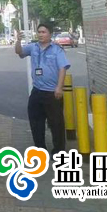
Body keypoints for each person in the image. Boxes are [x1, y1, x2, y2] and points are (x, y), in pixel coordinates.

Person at [15, 24, 70, 155]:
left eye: (43, 32)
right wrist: (18, 41)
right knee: (36, 122)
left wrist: (59, 87)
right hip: (37, 90)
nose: (40, 34)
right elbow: (19, 52)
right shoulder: (33, 47)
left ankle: (58, 151)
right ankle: (40, 149)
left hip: (52, 92)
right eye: (39, 32)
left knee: (56, 124)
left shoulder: (57, 49)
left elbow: (62, 68)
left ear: (50, 34)